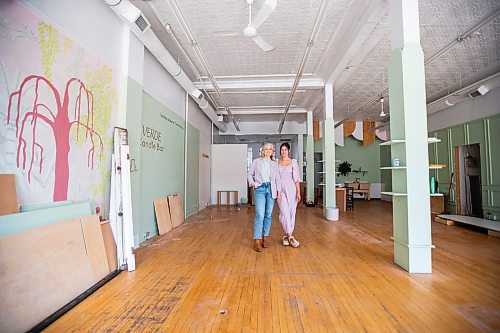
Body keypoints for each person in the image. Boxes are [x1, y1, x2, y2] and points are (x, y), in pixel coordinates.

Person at [248, 143, 282, 252]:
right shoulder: (256, 162)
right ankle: (257, 240)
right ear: (263, 151)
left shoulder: (274, 164)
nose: (268, 151)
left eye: (270, 149)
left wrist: (279, 192)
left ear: (272, 151)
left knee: (268, 214)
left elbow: (277, 179)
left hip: (270, 190)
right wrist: (252, 183)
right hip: (260, 189)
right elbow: (249, 174)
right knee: (260, 214)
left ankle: (265, 237)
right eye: (266, 149)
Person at [277, 143, 301, 248]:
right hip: (280, 190)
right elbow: (274, 178)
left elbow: (296, 179)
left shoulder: (293, 162)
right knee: (285, 213)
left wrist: (298, 192)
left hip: (292, 190)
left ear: (289, 150)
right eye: (282, 150)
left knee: (291, 213)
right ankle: (290, 236)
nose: (283, 152)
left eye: (285, 149)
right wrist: (277, 192)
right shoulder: (276, 162)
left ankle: (286, 237)